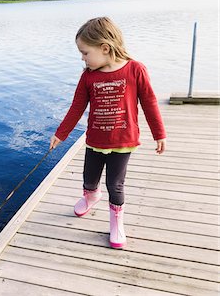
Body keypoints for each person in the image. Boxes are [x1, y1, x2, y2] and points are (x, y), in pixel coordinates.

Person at [49, 17, 166, 249]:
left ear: (104, 48)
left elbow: (150, 102)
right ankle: (91, 196)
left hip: (123, 142)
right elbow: (76, 107)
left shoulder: (135, 70)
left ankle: (116, 222)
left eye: (85, 53)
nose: (82, 58)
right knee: (89, 179)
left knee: (116, 185)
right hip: (95, 140)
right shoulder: (88, 76)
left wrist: (159, 133)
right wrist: (61, 133)